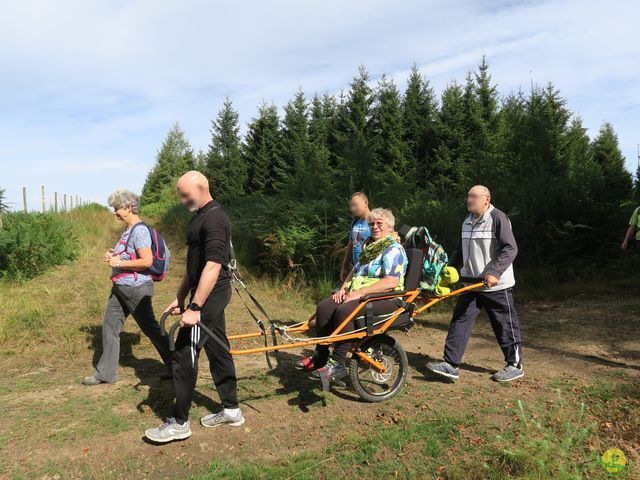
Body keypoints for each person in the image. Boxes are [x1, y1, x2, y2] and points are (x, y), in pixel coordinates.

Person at [145, 171, 243, 443]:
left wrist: (196, 306)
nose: (182, 199)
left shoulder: (216, 219)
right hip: (202, 294)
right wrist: (180, 298)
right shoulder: (199, 217)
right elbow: (194, 267)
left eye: (185, 193)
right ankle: (232, 409)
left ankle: (179, 423)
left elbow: (212, 265)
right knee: (217, 347)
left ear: (201, 188)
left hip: (211, 295)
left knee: (184, 351)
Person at [296, 208, 407, 381]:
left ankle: (338, 364)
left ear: (390, 227)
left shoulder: (393, 249)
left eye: (379, 224)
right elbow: (354, 272)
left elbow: (391, 282)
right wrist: (343, 289)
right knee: (324, 308)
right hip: (360, 294)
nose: (375, 227)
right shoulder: (370, 248)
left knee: (344, 311)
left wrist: (359, 293)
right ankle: (321, 355)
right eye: (372, 224)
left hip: (386, 297)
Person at [427, 185, 523, 383]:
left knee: (504, 324)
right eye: (468, 196)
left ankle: (515, 365)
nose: (469, 200)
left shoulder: (497, 218)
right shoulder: (467, 221)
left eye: (473, 196)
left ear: (486, 199)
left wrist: (494, 272)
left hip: (496, 285)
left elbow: (510, 249)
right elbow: (459, 251)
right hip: (470, 284)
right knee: (460, 320)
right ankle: (450, 364)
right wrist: (449, 270)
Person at [83, 189, 172, 386]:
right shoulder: (128, 230)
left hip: (135, 289)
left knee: (151, 329)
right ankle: (106, 373)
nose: (114, 212)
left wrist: (117, 263)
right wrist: (115, 256)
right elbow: (129, 255)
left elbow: (146, 261)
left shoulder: (139, 230)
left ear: (129, 207)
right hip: (121, 288)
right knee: (109, 328)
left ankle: (178, 366)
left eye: (117, 208)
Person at [339, 192, 371, 282]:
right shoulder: (355, 222)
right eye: (351, 206)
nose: (353, 209)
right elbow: (351, 245)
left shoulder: (376, 221)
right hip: (356, 269)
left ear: (366, 203)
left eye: (355, 205)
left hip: (370, 270)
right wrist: (344, 267)